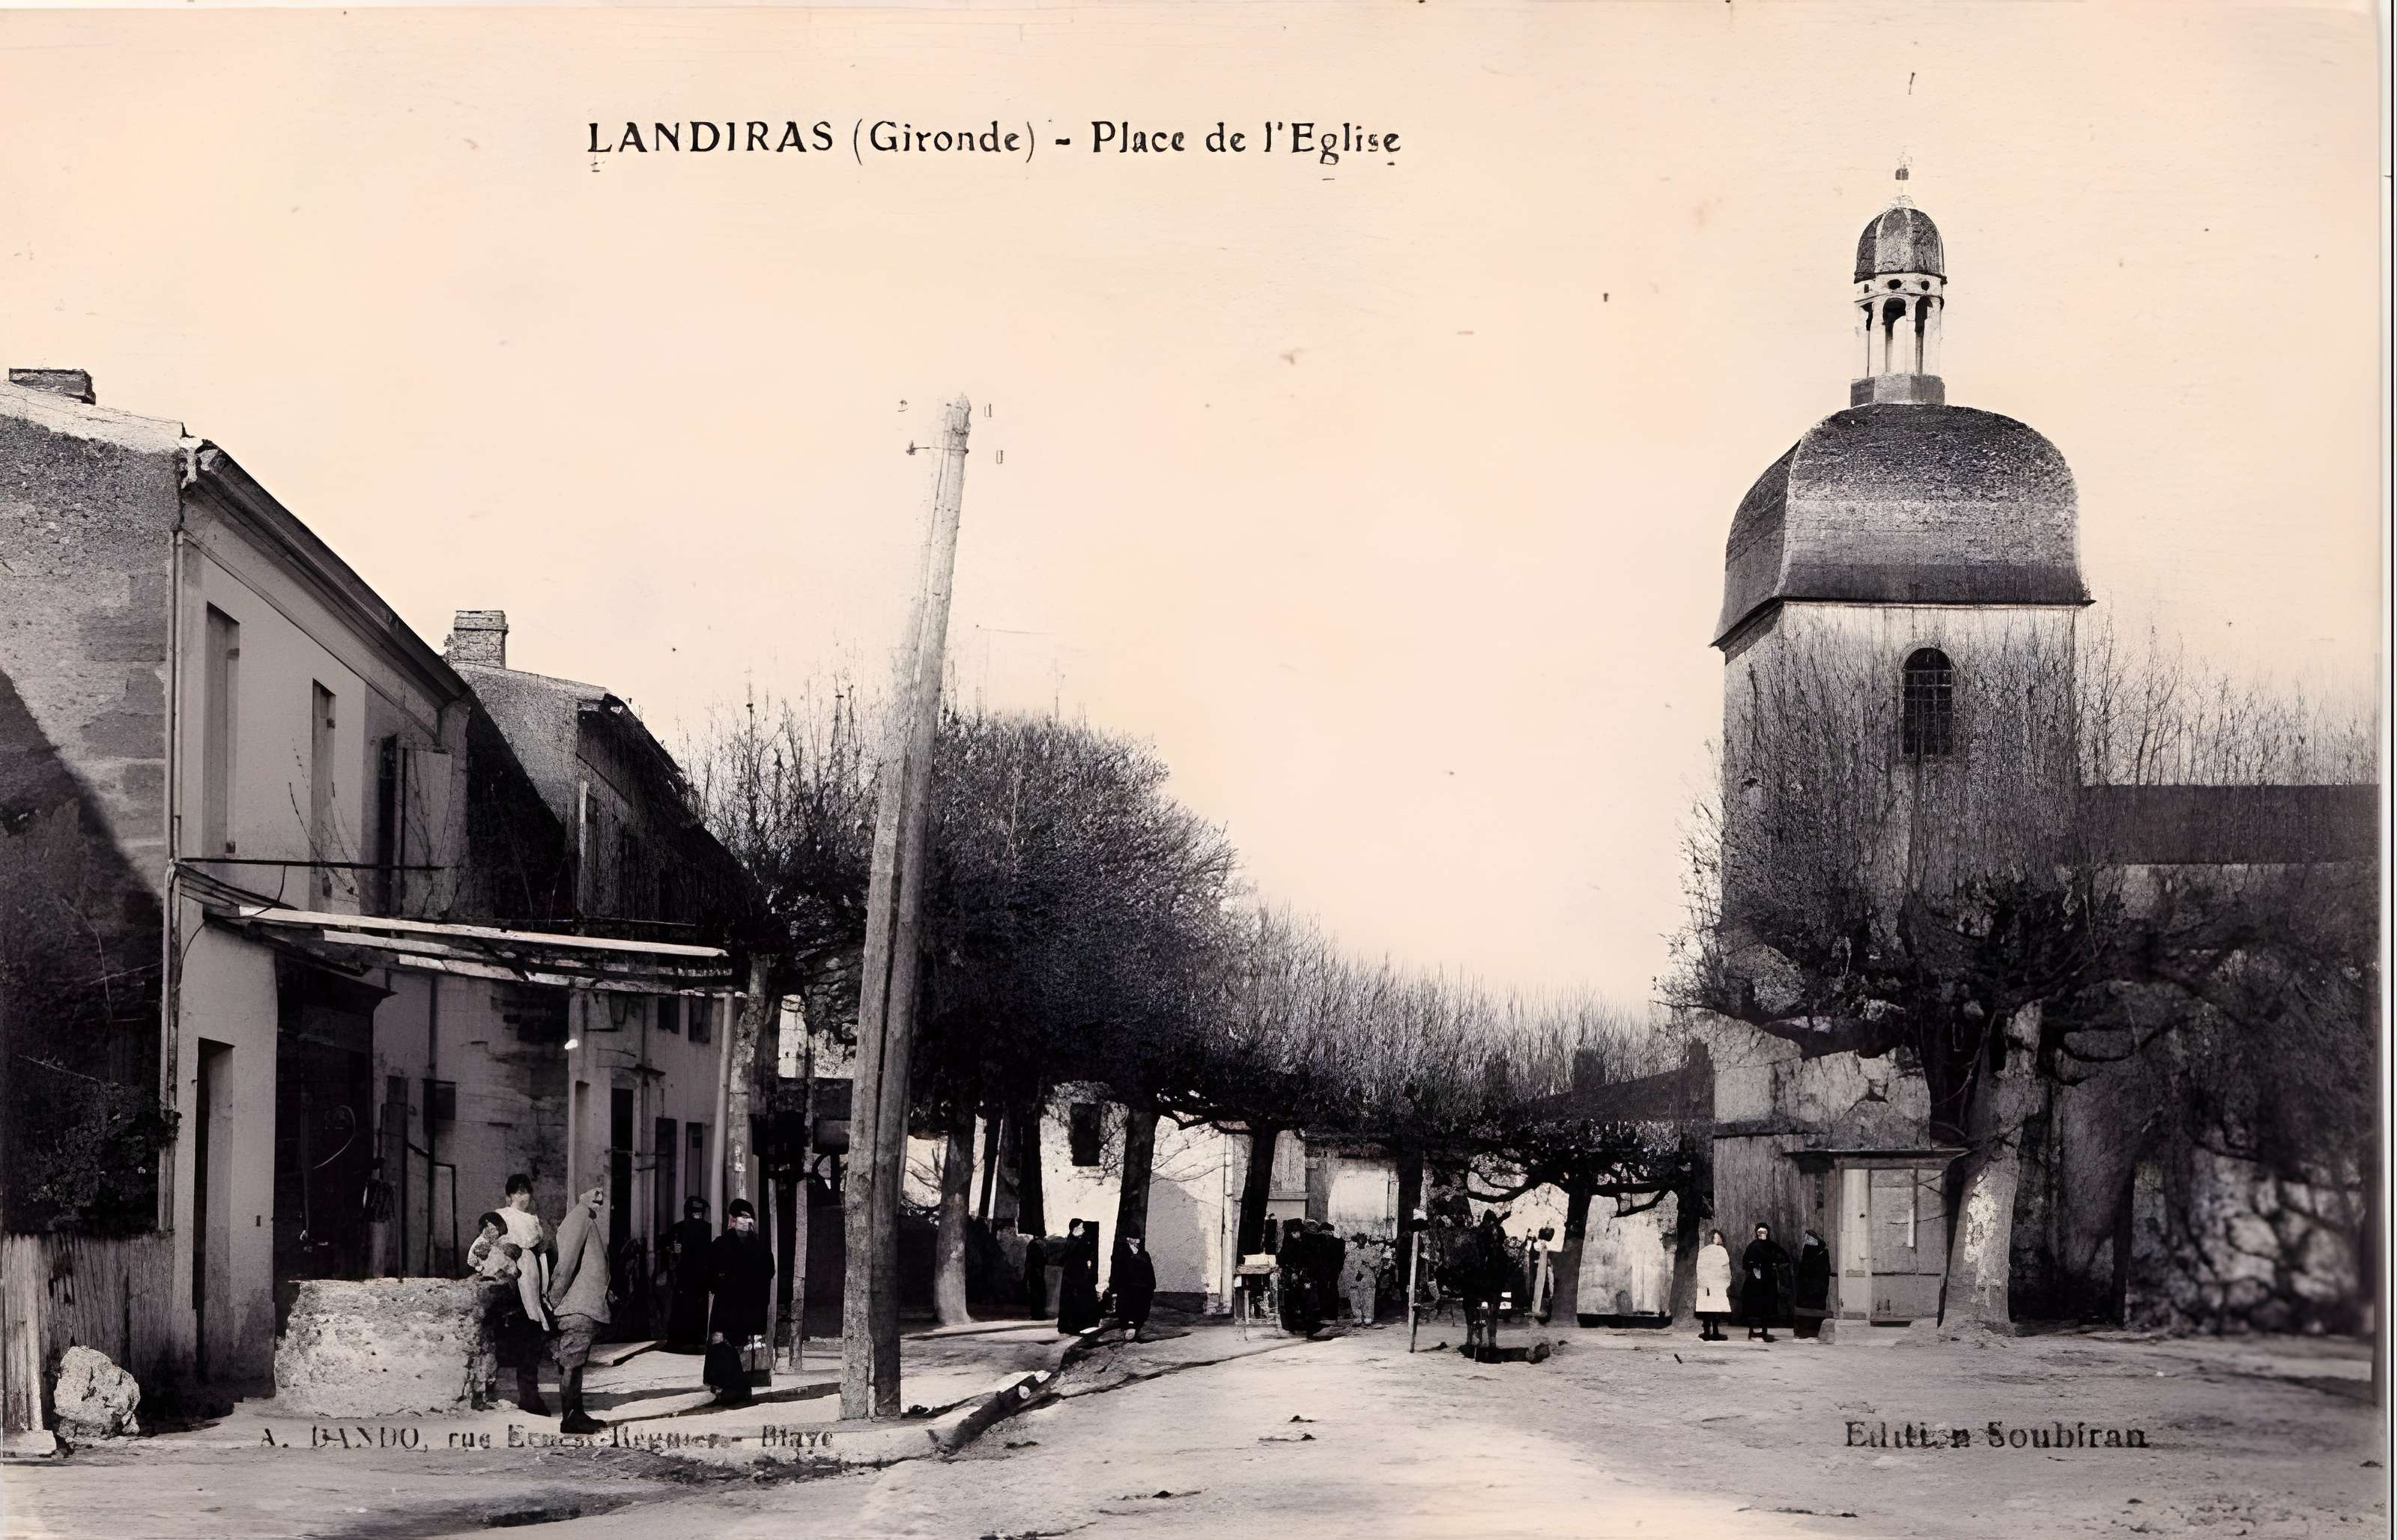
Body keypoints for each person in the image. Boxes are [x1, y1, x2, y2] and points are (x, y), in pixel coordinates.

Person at [544, 1183, 612, 1434]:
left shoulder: (585, 1219)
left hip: (581, 1305)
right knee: (572, 1363)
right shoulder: (578, 1219)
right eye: (594, 1194)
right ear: (581, 1197)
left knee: (575, 1363)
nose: (599, 1199)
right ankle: (570, 1418)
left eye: (601, 1197)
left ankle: (577, 1413)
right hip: (576, 1307)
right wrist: (555, 1301)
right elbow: (566, 1264)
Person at [704, 1198, 776, 1407]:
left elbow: (768, 1271)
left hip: (750, 1305)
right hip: (727, 1305)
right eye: (742, 1217)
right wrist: (721, 1283)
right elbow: (710, 1272)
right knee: (724, 1344)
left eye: (749, 1217)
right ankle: (729, 1387)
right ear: (733, 1220)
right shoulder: (721, 1244)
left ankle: (741, 1387)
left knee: (745, 1347)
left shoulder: (759, 1247)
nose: (746, 1221)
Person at [494, 1174, 555, 1415]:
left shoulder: (534, 1221)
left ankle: (531, 1397)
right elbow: (477, 1252)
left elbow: (542, 1255)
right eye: (517, 1192)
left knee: (534, 1343)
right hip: (512, 1288)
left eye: (526, 1192)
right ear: (508, 1196)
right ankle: (528, 1399)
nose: (522, 1197)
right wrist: (504, 1251)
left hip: (533, 1286)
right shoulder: (500, 1218)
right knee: (521, 1342)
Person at [663, 1196, 715, 1353]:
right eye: (695, 1212)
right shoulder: (683, 1229)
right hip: (687, 1275)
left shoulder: (706, 1229)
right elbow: (667, 1248)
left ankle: (689, 1338)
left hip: (696, 1276)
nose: (697, 1215)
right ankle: (686, 1338)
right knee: (687, 1306)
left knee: (692, 1307)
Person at [1742, 1222, 1789, 1343]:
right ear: (1757, 1233)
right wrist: (1754, 1266)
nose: (1762, 1234)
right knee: (1755, 1307)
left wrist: (1776, 1265)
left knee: (1767, 1307)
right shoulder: (1752, 1246)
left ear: (1768, 1233)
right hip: (1755, 1282)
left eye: (1764, 1232)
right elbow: (1745, 1263)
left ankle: (1764, 1332)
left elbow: (1785, 1258)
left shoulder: (1773, 1246)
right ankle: (1754, 1333)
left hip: (1768, 1281)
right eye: (1760, 1232)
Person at [1109, 1230, 1157, 1341]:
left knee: (1141, 1307)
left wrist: (1152, 1285)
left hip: (1143, 1287)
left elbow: (1150, 1271)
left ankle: (1135, 1326)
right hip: (1127, 1286)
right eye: (1132, 1240)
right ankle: (1129, 1327)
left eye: (1137, 1240)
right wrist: (1114, 1289)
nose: (1135, 1242)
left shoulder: (1144, 1254)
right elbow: (1116, 1272)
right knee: (1126, 1306)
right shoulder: (1121, 1254)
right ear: (1128, 1240)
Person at [1056, 1219, 1102, 1334]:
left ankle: (1086, 1324)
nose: (1083, 1229)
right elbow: (1066, 1257)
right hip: (1072, 1275)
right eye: (1081, 1227)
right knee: (1072, 1299)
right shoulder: (1070, 1241)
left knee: (1084, 1298)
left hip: (1082, 1273)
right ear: (1075, 1229)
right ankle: (1072, 1326)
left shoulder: (1082, 1239)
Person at [1695, 1228, 1733, 1341]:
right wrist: (1703, 1280)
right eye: (1716, 1237)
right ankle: (1707, 1332)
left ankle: (1715, 1332)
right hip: (1707, 1284)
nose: (1718, 1239)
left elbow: (1725, 1267)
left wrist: (1725, 1281)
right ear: (1712, 1238)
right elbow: (1701, 1266)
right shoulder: (1706, 1251)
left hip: (1717, 1284)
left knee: (1716, 1309)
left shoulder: (1722, 1251)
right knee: (1707, 1308)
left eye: (1719, 1237)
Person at [1794, 1228, 1832, 1339]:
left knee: (1814, 1309)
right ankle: (1802, 1332)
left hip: (1817, 1288)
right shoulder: (1808, 1253)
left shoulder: (1822, 1254)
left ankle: (1812, 1332)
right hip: (1805, 1289)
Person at [1340, 1233, 1379, 1327]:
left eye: (1363, 1239)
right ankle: (1357, 1317)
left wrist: (1369, 1264)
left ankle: (1368, 1317)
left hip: (1367, 1278)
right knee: (1355, 1298)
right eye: (1359, 1239)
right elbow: (1347, 1266)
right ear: (1356, 1241)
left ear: (1366, 1240)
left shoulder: (1372, 1251)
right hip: (1354, 1279)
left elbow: (1377, 1262)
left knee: (1368, 1297)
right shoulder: (1351, 1253)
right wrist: (1353, 1275)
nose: (1361, 1241)